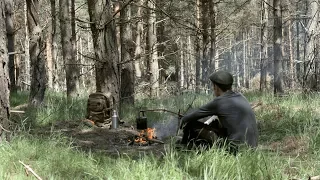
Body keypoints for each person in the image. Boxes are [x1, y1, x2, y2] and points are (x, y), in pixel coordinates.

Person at [179, 70, 258, 154]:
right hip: (252, 147)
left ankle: (184, 149)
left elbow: (188, 118)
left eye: (213, 85)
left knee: (191, 125)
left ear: (216, 87)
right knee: (216, 125)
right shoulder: (241, 97)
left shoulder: (219, 102)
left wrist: (182, 120)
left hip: (235, 149)